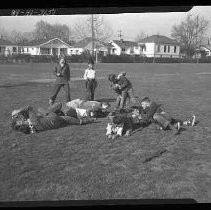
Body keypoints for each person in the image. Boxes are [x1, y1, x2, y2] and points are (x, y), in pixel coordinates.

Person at [11, 104, 95, 134]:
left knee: (68, 119)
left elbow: (27, 117)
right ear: (21, 124)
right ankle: (59, 109)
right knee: (41, 109)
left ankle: (90, 120)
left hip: (55, 125)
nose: (21, 120)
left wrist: (21, 114)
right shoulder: (33, 121)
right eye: (20, 122)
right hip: (53, 117)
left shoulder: (31, 128)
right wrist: (17, 111)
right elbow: (29, 108)